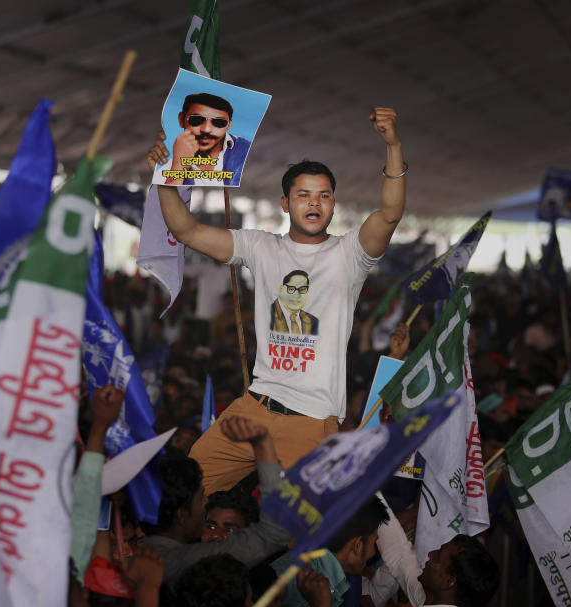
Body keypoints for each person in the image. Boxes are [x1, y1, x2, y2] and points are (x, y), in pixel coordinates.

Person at [148, 107, 406, 494]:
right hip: (252, 409)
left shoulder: (350, 254)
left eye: (324, 195)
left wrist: (393, 145)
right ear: (286, 204)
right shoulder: (259, 246)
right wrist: (166, 176)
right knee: (184, 493)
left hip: (312, 424)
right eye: (303, 195)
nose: (314, 203)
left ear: (333, 204)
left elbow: (389, 213)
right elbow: (186, 230)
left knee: (304, 535)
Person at [142, 417, 290, 587]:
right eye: (200, 498)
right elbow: (275, 532)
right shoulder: (178, 562)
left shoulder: (142, 554)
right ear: (182, 515)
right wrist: (263, 444)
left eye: (229, 529)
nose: (206, 502)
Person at [376, 494, 499, 607]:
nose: (430, 554)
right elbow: (400, 555)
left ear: (448, 581)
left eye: (438, 555)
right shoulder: (436, 603)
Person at [271, 497, 389, 607]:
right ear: (357, 545)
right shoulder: (300, 576)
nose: (373, 552)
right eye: (373, 542)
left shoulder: (330, 574)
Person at [152, 93, 252, 187]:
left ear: (229, 125)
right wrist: (179, 167)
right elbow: (165, 204)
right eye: (196, 120)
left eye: (219, 122)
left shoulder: (247, 150)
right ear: (181, 120)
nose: (206, 129)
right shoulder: (164, 170)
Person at [270, 270, 320, 334]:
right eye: (291, 289)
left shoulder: (314, 322)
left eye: (302, 289)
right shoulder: (268, 313)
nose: (297, 295)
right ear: (281, 289)